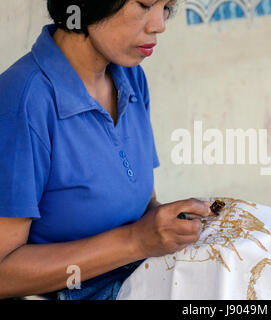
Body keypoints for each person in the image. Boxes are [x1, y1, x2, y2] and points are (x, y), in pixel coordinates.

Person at [0, 0, 212, 300]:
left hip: (137, 279)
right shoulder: (22, 102)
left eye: (167, 7)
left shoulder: (130, 78)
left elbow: (140, 201)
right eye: (145, 4)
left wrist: (172, 227)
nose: (159, 24)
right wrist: (136, 241)